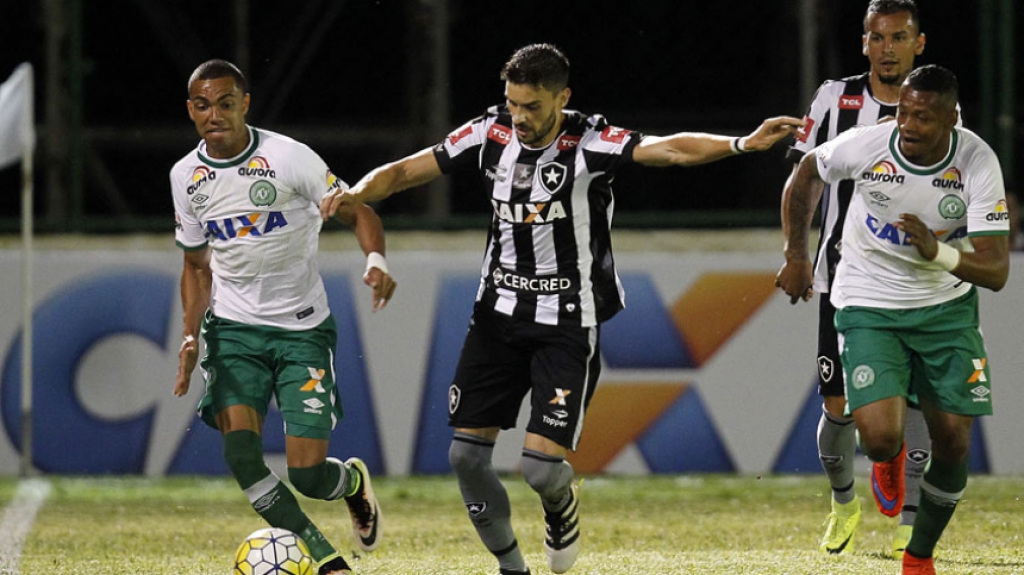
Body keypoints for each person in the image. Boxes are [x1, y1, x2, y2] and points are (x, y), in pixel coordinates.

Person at [321, 43, 802, 575]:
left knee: (540, 468)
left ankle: (561, 504)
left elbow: (669, 150)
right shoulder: (489, 134)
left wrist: (741, 143)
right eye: (512, 104)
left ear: (562, 97)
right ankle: (512, 568)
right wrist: (356, 193)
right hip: (496, 318)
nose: (519, 118)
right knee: (465, 456)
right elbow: (409, 170)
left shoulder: (591, 143)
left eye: (532, 106)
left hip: (567, 323)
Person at [778, 65, 1009, 575]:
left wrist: (940, 254)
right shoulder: (868, 143)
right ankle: (888, 455)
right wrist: (796, 253)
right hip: (868, 300)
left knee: (954, 442)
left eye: (922, 117)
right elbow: (807, 173)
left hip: (945, 310)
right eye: (903, 111)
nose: (907, 124)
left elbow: (995, 270)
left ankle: (918, 556)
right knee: (880, 437)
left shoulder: (976, 161)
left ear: (952, 119)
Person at [171, 59, 396, 575]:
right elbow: (195, 265)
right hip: (232, 332)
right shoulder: (186, 176)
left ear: (244, 103)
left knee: (308, 475)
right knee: (242, 456)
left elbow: (358, 209)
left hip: (302, 332)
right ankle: (325, 560)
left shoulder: (288, 158)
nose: (215, 114)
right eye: (203, 105)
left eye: (226, 103)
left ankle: (354, 485)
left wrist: (376, 260)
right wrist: (189, 336)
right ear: (191, 110)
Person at [781, 0, 938, 558]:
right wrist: (797, 255)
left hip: (909, 281)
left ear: (918, 44)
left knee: (916, 399)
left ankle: (911, 518)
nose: (887, 48)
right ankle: (845, 502)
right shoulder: (834, 99)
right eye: (878, 38)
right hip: (841, 278)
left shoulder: (940, 107)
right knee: (838, 406)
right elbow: (804, 181)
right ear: (864, 43)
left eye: (899, 38)